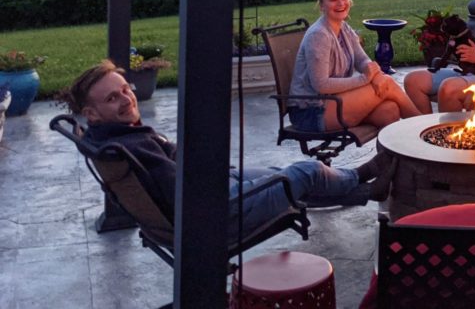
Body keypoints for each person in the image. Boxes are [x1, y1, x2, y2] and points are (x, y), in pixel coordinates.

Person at [62, 60, 394, 236]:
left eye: (124, 89)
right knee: (302, 172)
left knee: (282, 175)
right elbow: (180, 192)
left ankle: (365, 191)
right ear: (90, 113)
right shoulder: (125, 145)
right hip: (214, 212)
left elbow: (172, 166)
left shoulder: (112, 137)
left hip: (209, 189)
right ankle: (361, 177)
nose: (125, 99)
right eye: (112, 98)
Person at [289, 0, 420, 132]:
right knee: (389, 84)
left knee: (389, 111)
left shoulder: (343, 27)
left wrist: (376, 75)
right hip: (311, 112)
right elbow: (321, 85)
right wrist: (365, 79)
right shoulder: (319, 35)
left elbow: (362, 59)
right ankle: (426, 130)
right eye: (333, 0)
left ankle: (388, 157)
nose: (340, 4)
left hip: (333, 101)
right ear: (322, 6)